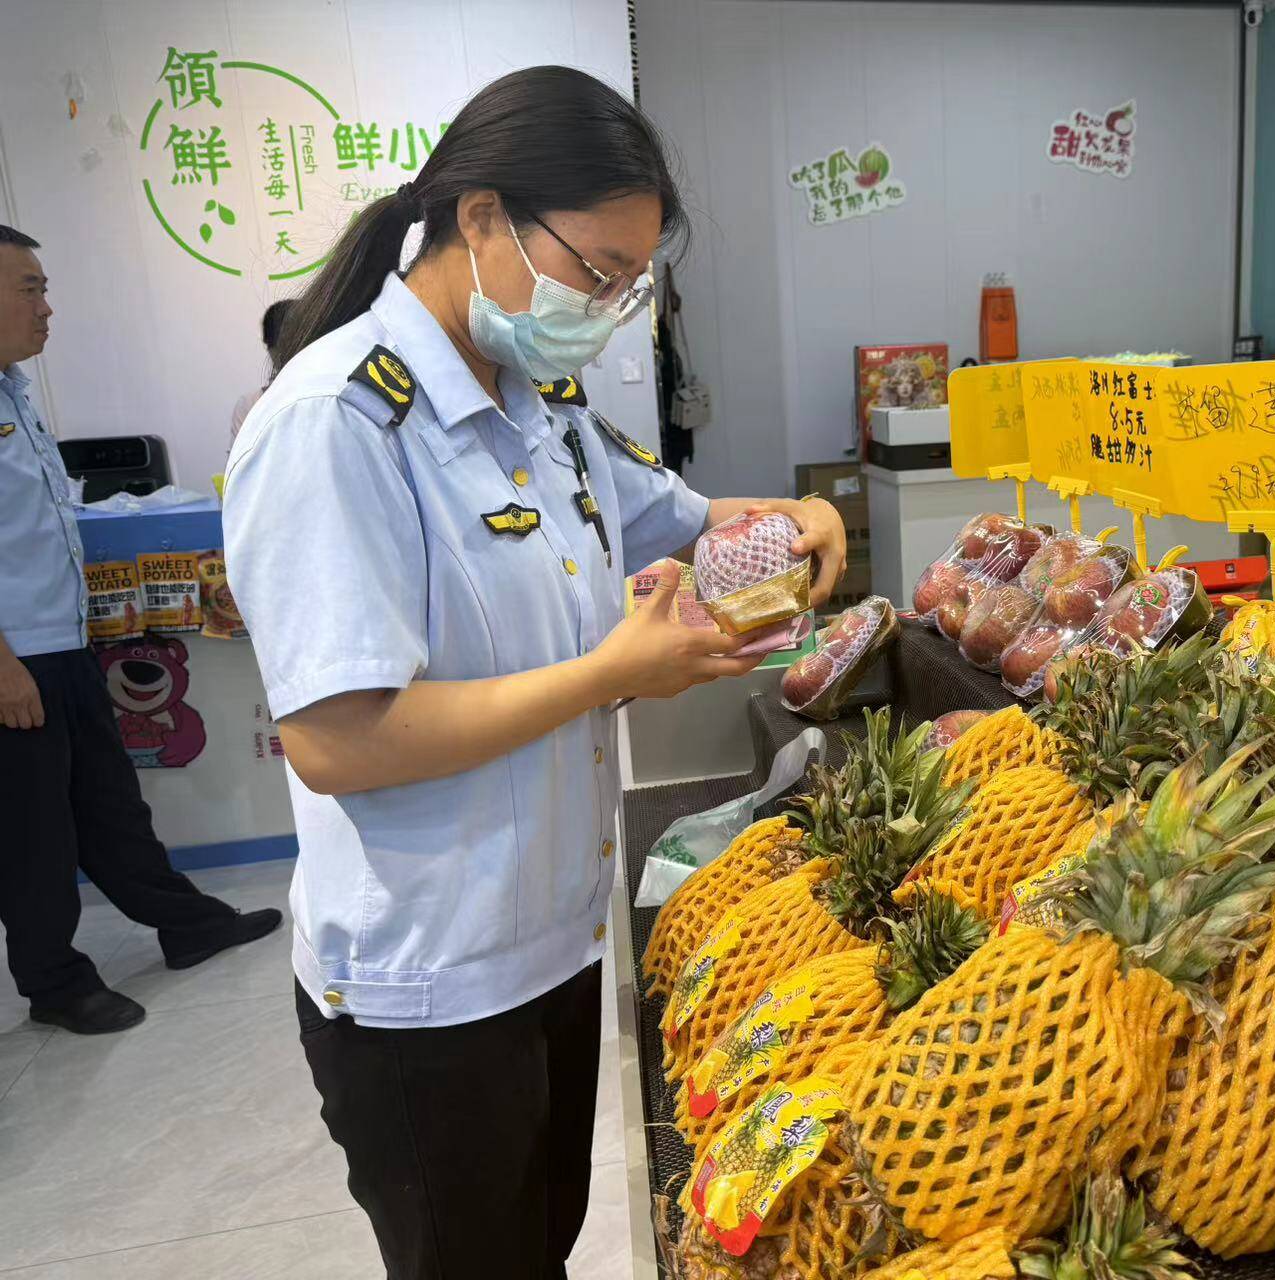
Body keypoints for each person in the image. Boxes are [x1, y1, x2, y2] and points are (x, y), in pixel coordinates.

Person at [221, 66, 847, 1279]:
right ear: (482, 219)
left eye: (632, 285)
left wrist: (802, 514)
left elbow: (688, 516)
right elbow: (339, 738)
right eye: (597, 273)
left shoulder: (540, 402)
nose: (609, 309)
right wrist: (610, 673)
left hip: (552, 941)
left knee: (537, 1247)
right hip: (429, 985)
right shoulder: (335, 425)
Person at [0, 224, 282, 1036]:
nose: (48, 308)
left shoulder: (14, 388)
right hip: (15, 660)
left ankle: (187, 925)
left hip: (60, 641)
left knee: (110, 804)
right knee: (35, 832)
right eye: (30, 290)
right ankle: (54, 980)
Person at [229, 299, 294, 449]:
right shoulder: (249, 405)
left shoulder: (329, 399)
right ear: (271, 349)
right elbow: (239, 468)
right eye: (283, 343)